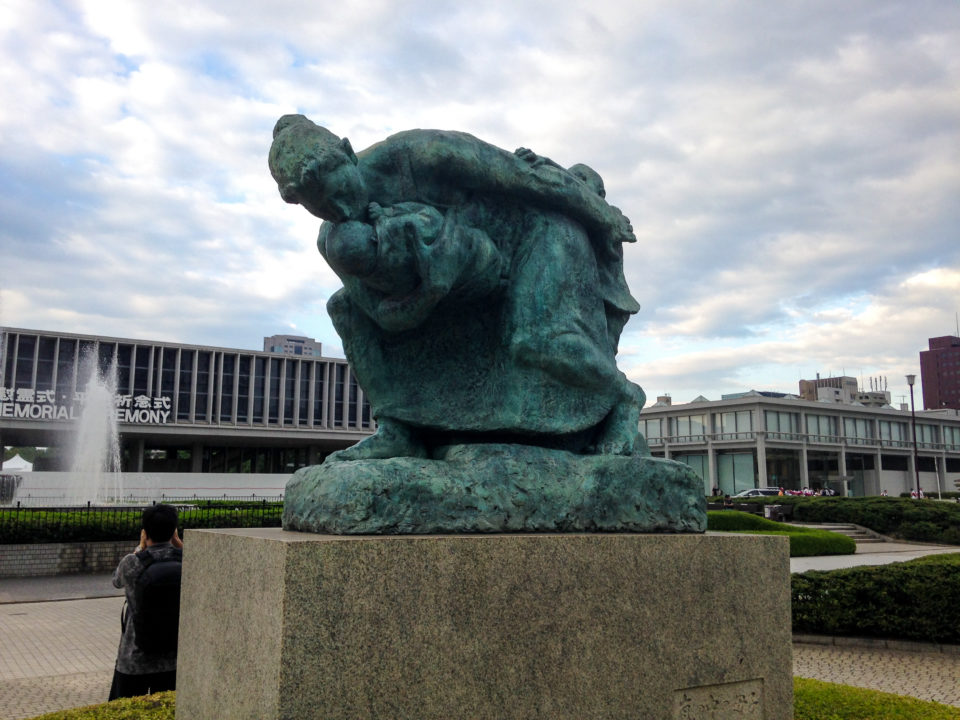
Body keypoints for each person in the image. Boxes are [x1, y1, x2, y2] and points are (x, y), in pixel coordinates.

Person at [269, 115, 646, 459]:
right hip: (463, 277)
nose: (338, 208)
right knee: (345, 307)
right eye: (318, 205)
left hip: (535, 234)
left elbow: (525, 177)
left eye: (335, 191)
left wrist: (603, 216)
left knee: (535, 338)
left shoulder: (421, 154)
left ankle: (624, 399)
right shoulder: (334, 241)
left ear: (348, 154)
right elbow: (384, 315)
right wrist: (429, 291)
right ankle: (399, 430)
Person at [109, 503, 183, 700]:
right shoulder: (189, 560)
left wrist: (140, 548)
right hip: (174, 659)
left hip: (134, 658)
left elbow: (116, 581)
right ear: (173, 531)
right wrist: (179, 544)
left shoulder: (131, 563)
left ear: (145, 532)